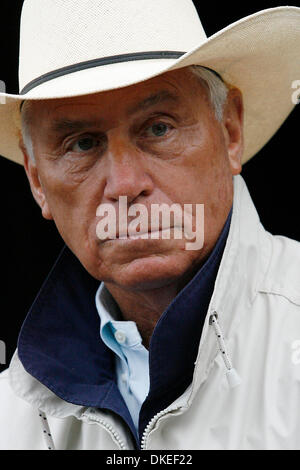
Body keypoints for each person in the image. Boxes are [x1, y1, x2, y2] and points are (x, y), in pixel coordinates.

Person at [0, 0, 300, 451]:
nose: (124, 185)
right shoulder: (14, 414)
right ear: (37, 180)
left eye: (158, 129)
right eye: (82, 144)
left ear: (230, 130)